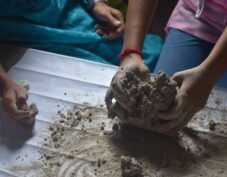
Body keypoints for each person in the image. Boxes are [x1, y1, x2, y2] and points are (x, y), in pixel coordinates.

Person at [106, 0, 227, 134]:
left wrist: (209, 75)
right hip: (200, 12)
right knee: (158, 114)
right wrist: (131, 53)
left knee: (226, 123)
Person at [0, 0, 164, 124]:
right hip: (26, 31)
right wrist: (4, 82)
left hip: (71, 11)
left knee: (152, 57)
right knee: (93, 83)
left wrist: (95, 3)